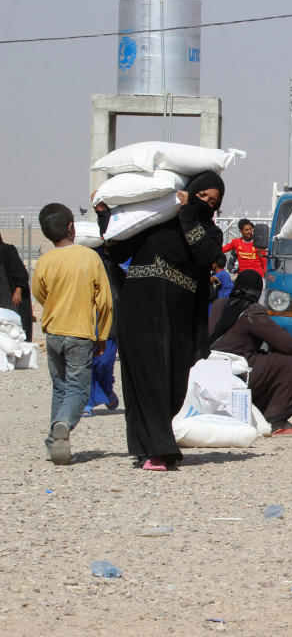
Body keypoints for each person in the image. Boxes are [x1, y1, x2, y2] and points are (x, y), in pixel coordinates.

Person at [97, 171, 225, 471]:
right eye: (201, 195)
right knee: (145, 374)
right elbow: (116, 249)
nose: (205, 202)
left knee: (173, 384)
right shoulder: (153, 220)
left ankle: (152, 442)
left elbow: (205, 254)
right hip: (142, 306)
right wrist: (105, 216)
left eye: (212, 201)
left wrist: (189, 214)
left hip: (180, 316)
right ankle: (158, 449)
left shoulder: (210, 232)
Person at [31, 203, 113, 465]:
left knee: (60, 388)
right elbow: (105, 302)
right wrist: (103, 336)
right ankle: (63, 424)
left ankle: (52, 443)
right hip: (80, 334)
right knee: (78, 390)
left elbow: (39, 293)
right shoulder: (89, 257)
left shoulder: (44, 260)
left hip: (53, 333)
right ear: (71, 226)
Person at [210, 270, 292, 434]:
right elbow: (286, 345)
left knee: (264, 361)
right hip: (238, 371)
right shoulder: (251, 311)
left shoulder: (219, 305)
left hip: (214, 369)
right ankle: (276, 419)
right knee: (291, 364)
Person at [82, 247, 125, 417]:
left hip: (110, 322)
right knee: (87, 363)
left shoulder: (114, 267)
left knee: (104, 363)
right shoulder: (84, 267)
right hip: (87, 320)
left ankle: (107, 392)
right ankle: (88, 402)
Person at [0, 231, 33, 341]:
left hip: (13, 295)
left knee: (18, 325)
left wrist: (18, 290)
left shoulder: (7, 250)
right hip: (2, 298)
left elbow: (21, 272)